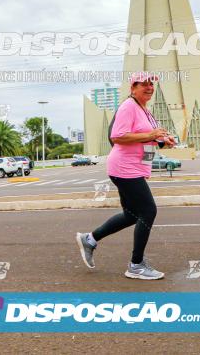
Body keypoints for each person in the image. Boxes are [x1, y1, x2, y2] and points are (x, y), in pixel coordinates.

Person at [75, 71, 176, 280]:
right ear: (133, 88)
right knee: (148, 211)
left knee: (132, 215)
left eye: (151, 84)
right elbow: (118, 136)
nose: (149, 88)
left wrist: (163, 140)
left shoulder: (145, 110)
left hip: (134, 167)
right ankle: (136, 265)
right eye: (144, 84)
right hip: (124, 167)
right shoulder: (129, 106)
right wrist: (151, 135)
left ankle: (90, 239)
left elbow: (146, 137)